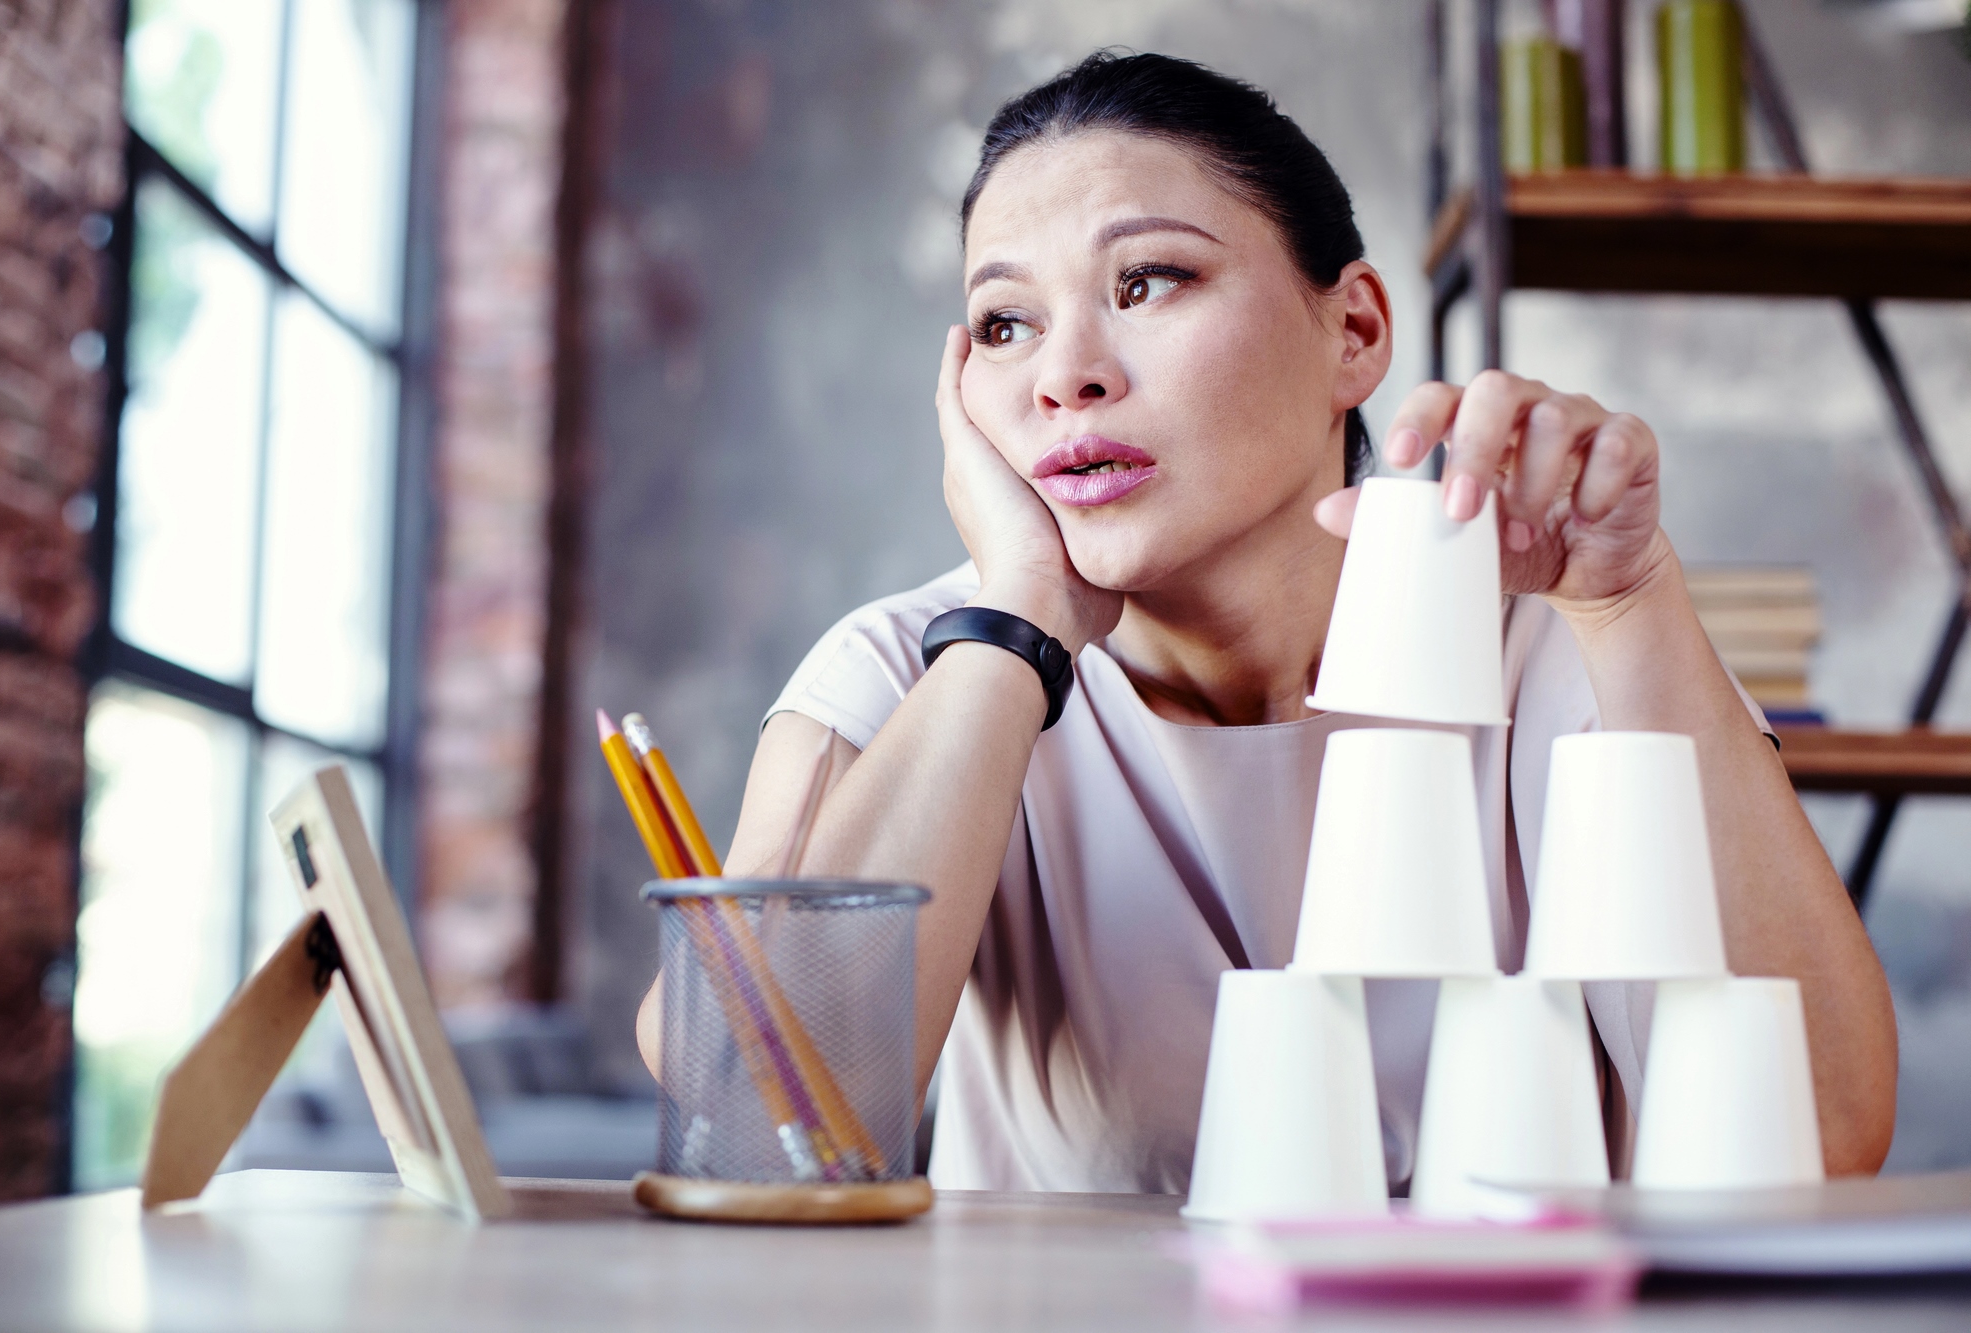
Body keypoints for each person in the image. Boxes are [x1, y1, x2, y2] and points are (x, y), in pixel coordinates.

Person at [637, 51, 1896, 1193]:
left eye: (1148, 280)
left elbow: (1821, 1141)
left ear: (1351, 331)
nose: (1064, 373)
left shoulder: (1564, 640)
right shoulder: (911, 671)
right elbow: (761, 1122)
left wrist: (1626, 606)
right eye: (1006, 322)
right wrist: (1017, 620)